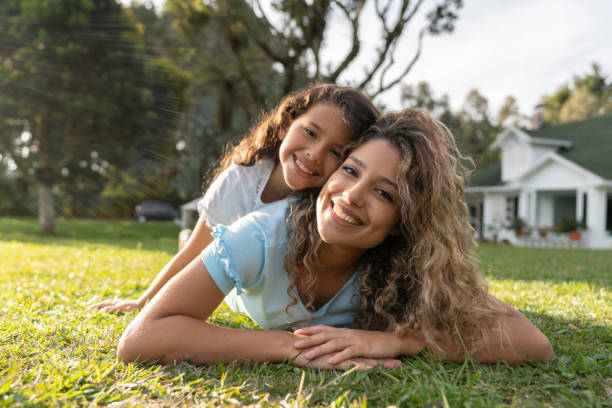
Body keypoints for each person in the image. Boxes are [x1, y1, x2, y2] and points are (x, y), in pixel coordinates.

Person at [117, 110, 554, 369]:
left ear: (405, 220)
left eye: (384, 193)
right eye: (350, 170)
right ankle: (187, 245)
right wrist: (288, 346)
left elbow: (534, 342)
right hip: (242, 285)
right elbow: (142, 338)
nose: (351, 197)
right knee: (213, 254)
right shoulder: (261, 236)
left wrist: (401, 340)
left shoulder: (405, 264)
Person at [92, 84, 379, 313]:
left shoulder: (328, 205)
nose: (315, 154)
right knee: (201, 248)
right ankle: (189, 234)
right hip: (239, 281)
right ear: (285, 125)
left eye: (335, 153)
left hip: (273, 288)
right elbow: (192, 256)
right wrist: (142, 302)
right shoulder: (241, 181)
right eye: (310, 132)